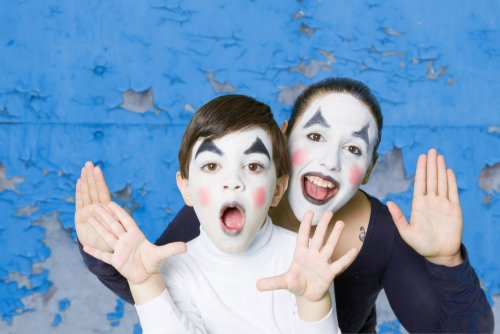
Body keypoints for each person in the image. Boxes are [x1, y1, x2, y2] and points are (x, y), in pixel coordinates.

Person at [76, 78, 494, 333]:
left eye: (352, 148)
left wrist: (446, 260)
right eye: (315, 137)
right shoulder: (233, 198)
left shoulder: (381, 233)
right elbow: (159, 285)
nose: (329, 161)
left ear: (368, 169)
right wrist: (104, 251)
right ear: (284, 136)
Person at [77, 95, 357, 333]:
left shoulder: (302, 259)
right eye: (212, 166)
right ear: (186, 188)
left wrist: (313, 303)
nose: (232, 180)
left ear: (278, 189)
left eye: (253, 166)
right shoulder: (176, 267)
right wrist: (146, 284)